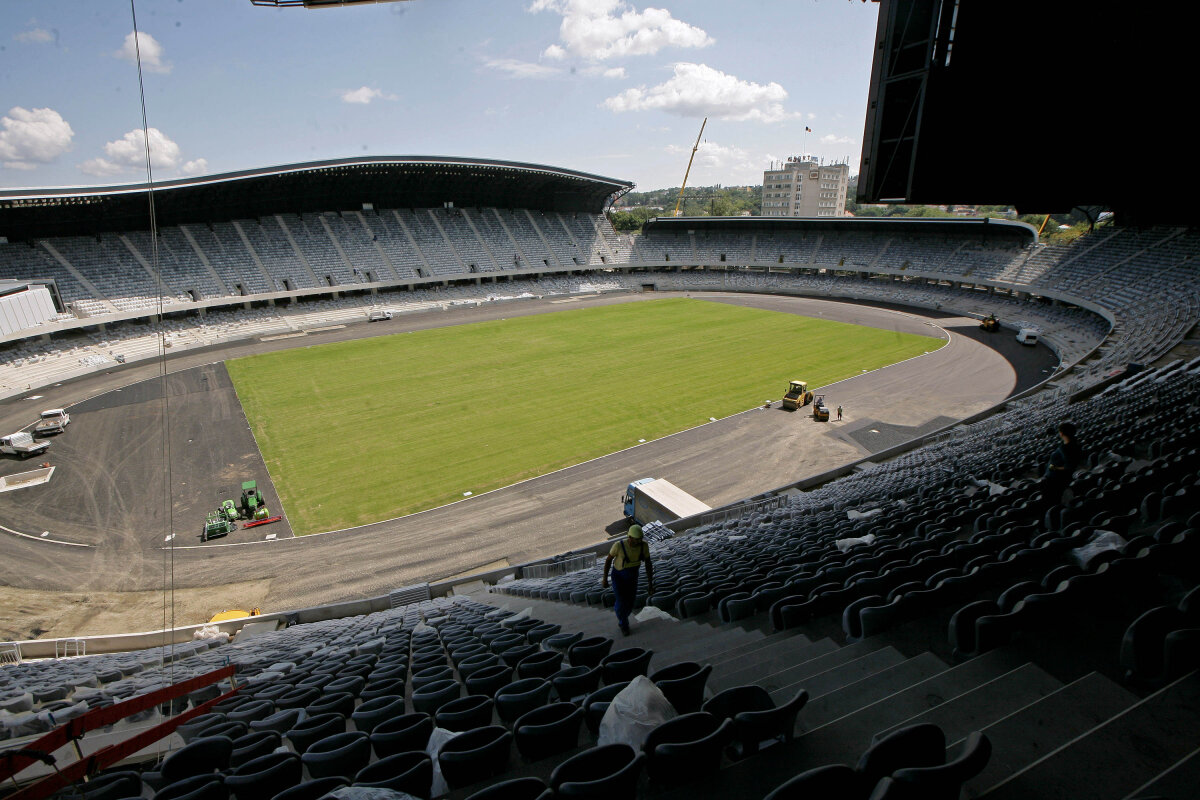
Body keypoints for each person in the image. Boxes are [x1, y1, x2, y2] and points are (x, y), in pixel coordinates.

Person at [602, 524, 654, 636]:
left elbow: (648, 564)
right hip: (618, 576)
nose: (638, 542)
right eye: (636, 540)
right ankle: (624, 624)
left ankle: (622, 615)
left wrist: (650, 583)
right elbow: (608, 561)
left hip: (633, 577)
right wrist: (605, 578)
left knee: (630, 603)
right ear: (629, 537)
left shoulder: (643, 546)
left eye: (640, 539)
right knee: (621, 601)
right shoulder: (618, 546)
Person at [1042, 421, 1083, 503]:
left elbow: (1069, 466)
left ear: (1061, 433)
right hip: (1061, 478)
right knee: (1056, 497)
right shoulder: (1076, 444)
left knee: (1052, 499)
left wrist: (1054, 468)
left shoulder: (1064, 448)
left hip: (1055, 479)